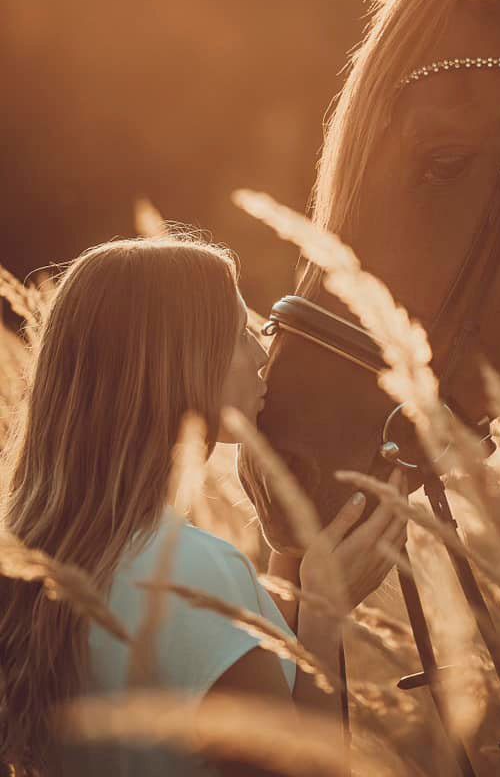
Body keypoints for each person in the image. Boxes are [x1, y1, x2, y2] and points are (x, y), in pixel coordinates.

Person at [0, 234, 408, 776]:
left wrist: (288, 551)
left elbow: (222, 661)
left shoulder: (41, 557)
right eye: (239, 334)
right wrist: (326, 617)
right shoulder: (193, 572)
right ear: (177, 361)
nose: (262, 355)